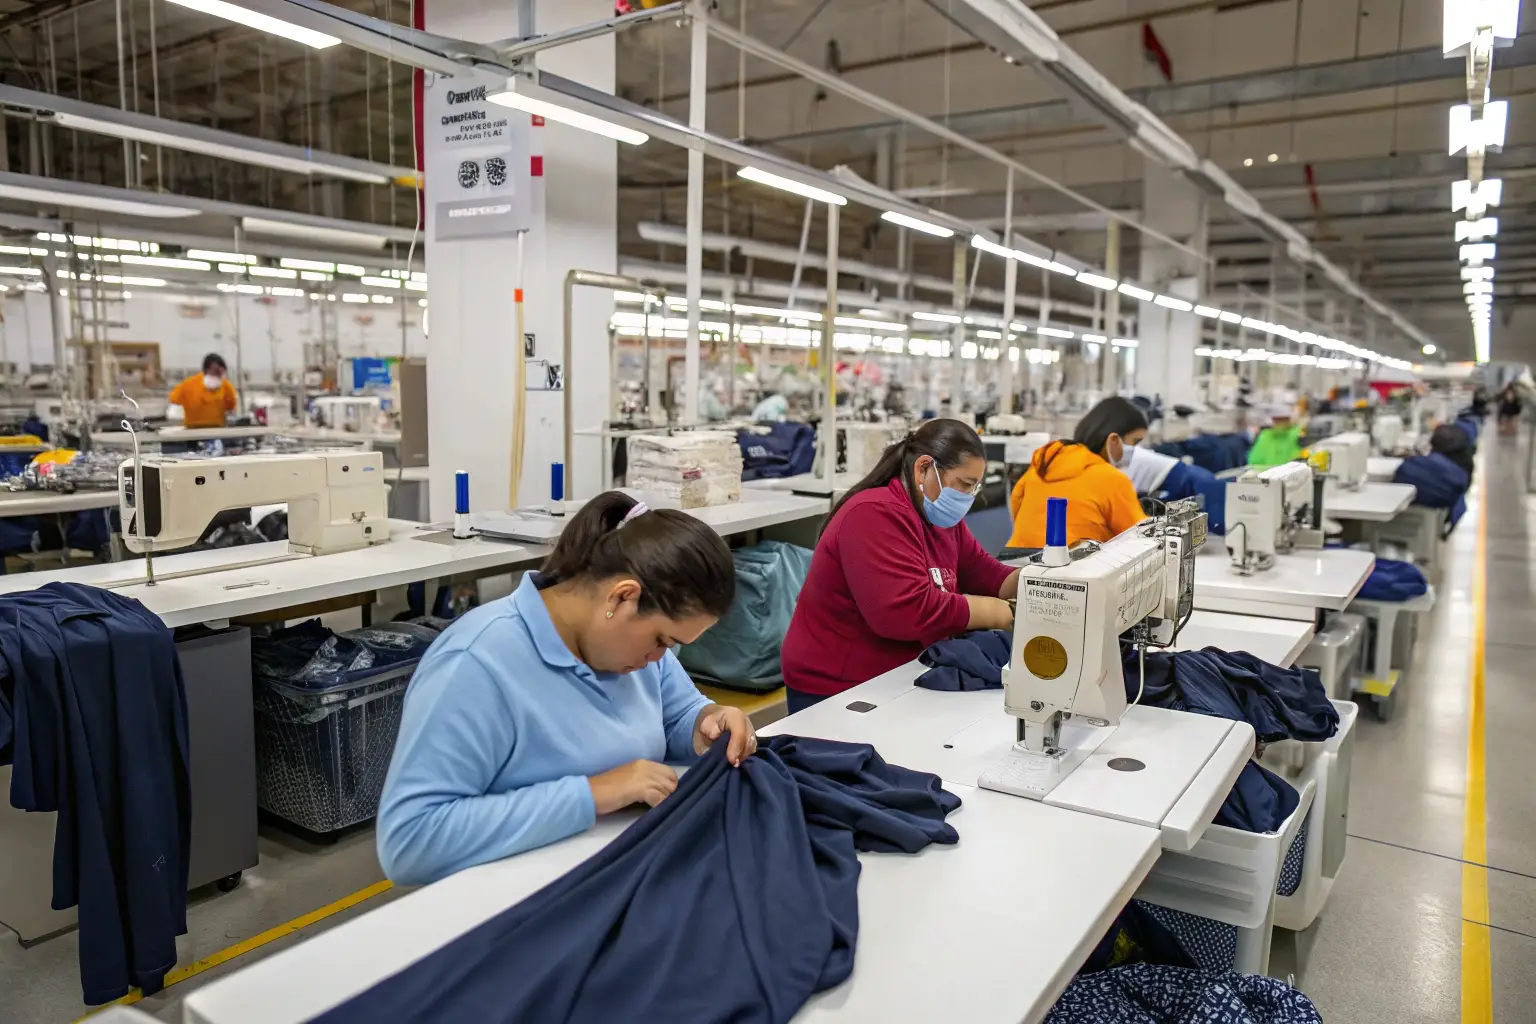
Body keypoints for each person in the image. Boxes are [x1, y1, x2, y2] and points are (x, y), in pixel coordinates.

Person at [375, 492, 756, 885]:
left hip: (619, 869)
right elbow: (411, 841)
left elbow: (675, 714)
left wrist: (706, 722)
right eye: (662, 640)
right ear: (622, 597)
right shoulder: (476, 663)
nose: (660, 657)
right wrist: (593, 794)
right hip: (522, 895)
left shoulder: (632, 651)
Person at [779, 418, 1019, 714]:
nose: (968, 498)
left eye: (974, 488)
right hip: (839, 687)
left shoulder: (941, 520)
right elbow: (904, 611)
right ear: (923, 468)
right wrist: (999, 612)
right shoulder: (873, 514)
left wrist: (1037, 583)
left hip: (901, 674)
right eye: (964, 485)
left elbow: (987, 574)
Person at [1003, 396, 1148, 554]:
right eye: (1135, 442)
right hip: (1076, 566)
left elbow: (1016, 509)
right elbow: (1138, 539)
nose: (1136, 450)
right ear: (1114, 440)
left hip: (1017, 563)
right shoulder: (1112, 479)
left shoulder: (1041, 467)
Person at [168, 353, 237, 428]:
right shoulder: (189, 384)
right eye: (216, 370)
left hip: (217, 428)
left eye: (221, 371)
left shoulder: (226, 386)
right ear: (206, 370)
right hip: (193, 429)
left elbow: (231, 407)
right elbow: (173, 399)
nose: (219, 374)